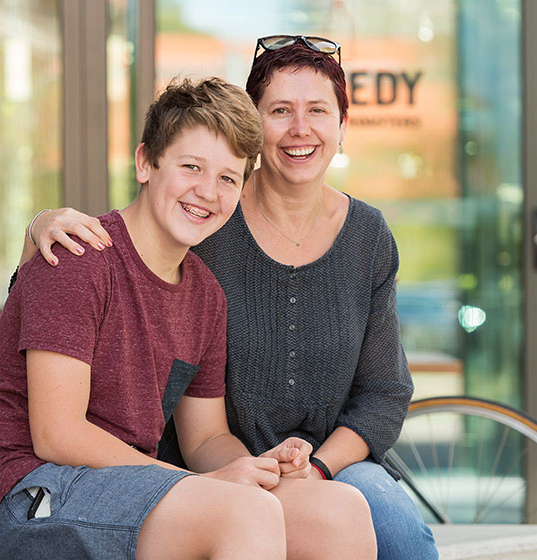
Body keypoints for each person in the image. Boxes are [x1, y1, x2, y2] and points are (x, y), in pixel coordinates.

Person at [25, 37, 437, 559]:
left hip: (298, 461)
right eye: (281, 111)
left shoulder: (208, 285)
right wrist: (37, 225)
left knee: (372, 521)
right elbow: (115, 249)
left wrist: (295, 470)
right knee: (259, 519)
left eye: (318, 111)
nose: (300, 128)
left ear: (341, 127)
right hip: (74, 483)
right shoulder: (191, 235)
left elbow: (382, 393)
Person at [0, 76, 376, 560]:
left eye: (227, 178)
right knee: (244, 513)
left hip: (133, 485)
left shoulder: (205, 294)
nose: (207, 191)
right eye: (191, 167)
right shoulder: (81, 255)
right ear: (146, 163)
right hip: (35, 492)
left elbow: (206, 437)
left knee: (341, 512)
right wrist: (208, 485)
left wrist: (255, 468)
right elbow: (58, 434)